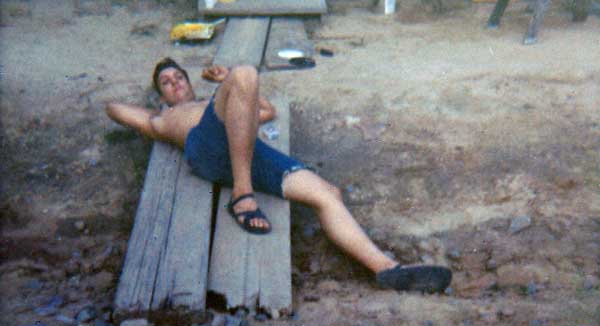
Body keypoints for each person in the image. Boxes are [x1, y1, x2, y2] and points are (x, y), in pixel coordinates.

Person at [106, 58, 452, 293]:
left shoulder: (216, 102)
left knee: (327, 193)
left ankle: (386, 269)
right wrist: (160, 108)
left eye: (178, 77)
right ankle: (243, 197)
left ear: (189, 80)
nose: (175, 84)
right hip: (207, 147)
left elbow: (266, 111)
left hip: (247, 152)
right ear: (160, 95)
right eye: (166, 83)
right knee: (245, 73)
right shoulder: (163, 118)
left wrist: (227, 83)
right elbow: (114, 109)